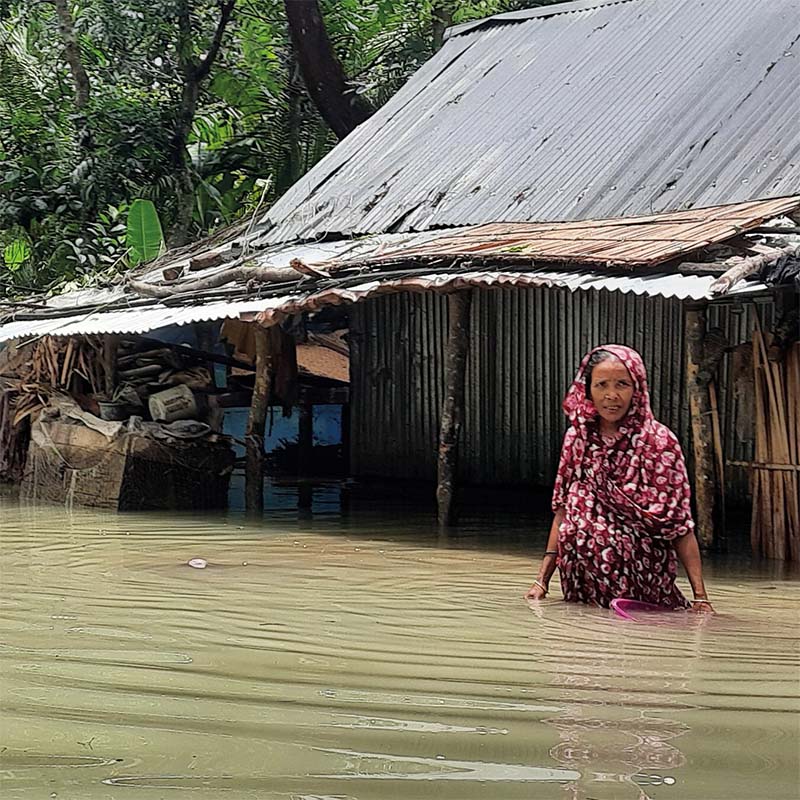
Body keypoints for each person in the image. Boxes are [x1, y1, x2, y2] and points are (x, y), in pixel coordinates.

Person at [525, 344, 714, 612]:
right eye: (601, 385)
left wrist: (701, 597)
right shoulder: (578, 440)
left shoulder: (659, 443)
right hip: (582, 587)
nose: (611, 395)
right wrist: (541, 582)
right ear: (587, 389)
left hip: (642, 590)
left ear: (637, 388)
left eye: (622, 384)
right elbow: (564, 511)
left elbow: (679, 526)